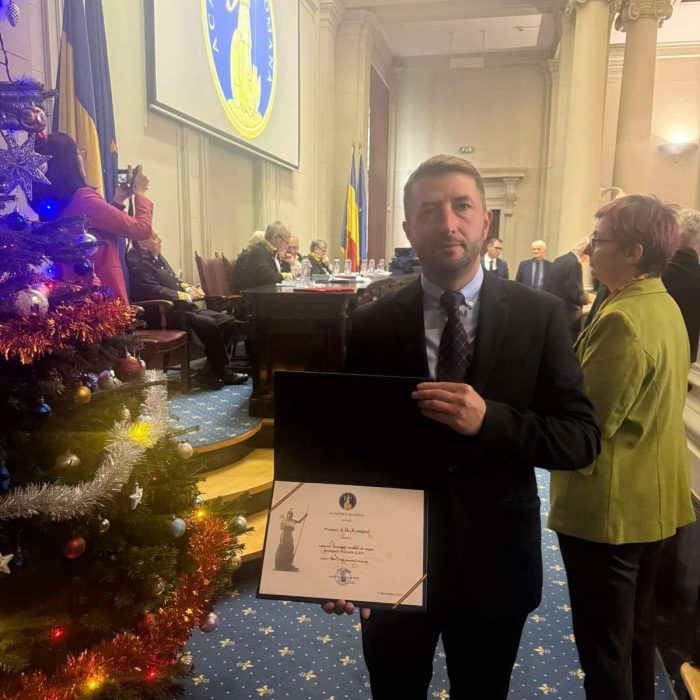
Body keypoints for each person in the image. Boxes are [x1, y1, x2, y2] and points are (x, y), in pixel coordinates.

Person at [323, 154, 600, 700]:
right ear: (409, 228)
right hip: (392, 561)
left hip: (495, 561)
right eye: (429, 210)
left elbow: (581, 439)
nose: (447, 223)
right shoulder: (372, 322)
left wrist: (491, 420)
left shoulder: (541, 316)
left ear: (485, 221)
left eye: (461, 206)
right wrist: (334, 559)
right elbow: (350, 448)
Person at [548, 195, 695, 700]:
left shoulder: (623, 320)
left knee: (604, 649)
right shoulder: (662, 303)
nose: (590, 249)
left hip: (609, 511)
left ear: (634, 252)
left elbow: (589, 425)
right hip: (650, 500)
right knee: (634, 636)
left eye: (600, 240)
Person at [30, 132, 153, 304]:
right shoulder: (84, 199)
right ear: (69, 162)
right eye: (78, 153)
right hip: (103, 298)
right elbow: (141, 230)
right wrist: (140, 193)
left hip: (76, 295)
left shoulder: (57, 205)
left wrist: (117, 201)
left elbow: (94, 231)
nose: (82, 158)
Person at [126, 232, 248, 389]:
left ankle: (210, 372)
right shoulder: (136, 260)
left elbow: (175, 281)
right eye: (155, 238)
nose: (160, 240)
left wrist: (190, 288)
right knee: (209, 323)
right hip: (161, 313)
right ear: (142, 243)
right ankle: (220, 371)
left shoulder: (156, 257)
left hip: (180, 308)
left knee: (227, 321)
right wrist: (186, 295)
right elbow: (155, 290)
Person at [543, 237, 590, 342]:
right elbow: (575, 293)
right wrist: (588, 298)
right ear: (585, 254)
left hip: (554, 313)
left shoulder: (559, 260)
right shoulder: (575, 264)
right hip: (568, 317)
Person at [235, 221, 296, 290]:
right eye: (286, 242)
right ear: (275, 238)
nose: (287, 247)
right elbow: (269, 278)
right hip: (256, 295)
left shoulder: (272, 253)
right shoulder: (258, 252)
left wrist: (291, 265)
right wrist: (291, 275)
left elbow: (279, 274)